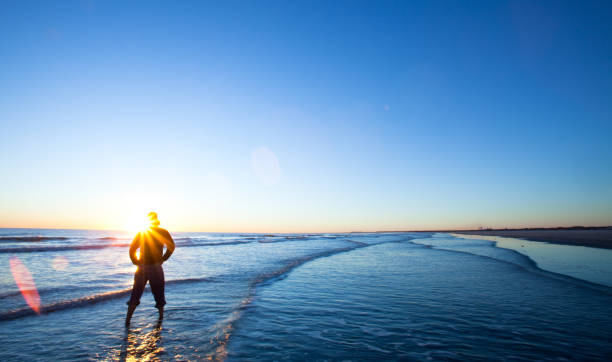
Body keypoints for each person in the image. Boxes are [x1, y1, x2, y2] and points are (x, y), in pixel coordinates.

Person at [125, 212, 175, 326]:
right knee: (159, 293)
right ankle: (160, 319)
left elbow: (132, 249)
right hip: (155, 266)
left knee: (136, 293)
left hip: (142, 267)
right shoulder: (162, 232)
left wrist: (135, 261)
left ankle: (127, 321)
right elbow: (172, 246)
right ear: (157, 221)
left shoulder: (142, 232)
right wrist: (163, 259)